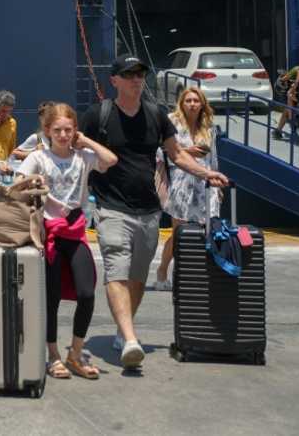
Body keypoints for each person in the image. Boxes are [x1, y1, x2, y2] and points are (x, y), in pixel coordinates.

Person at [79, 54, 229, 371]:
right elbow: (76, 150)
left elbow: (177, 155)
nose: (137, 79)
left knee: (137, 276)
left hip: (148, 209)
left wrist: (206, 174)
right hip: (111, 206)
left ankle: (123, 328)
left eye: (140, 74)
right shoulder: (98, 115)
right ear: (115, 80)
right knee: (116, 270)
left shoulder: (156, 115)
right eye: (129, 74)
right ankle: (131, 340)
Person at [16, 103, 117, 381]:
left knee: (86, 293)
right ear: (47, 131)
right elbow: (19, 182)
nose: (63, 135)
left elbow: (110, 160)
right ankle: (53, 355)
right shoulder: (40, 158)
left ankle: (75, 351)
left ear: (75, 131)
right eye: (57, 130)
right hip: (48, 233)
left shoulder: (83, 156)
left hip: (75, 231)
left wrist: (87, 141)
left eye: (68, 130)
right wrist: (33, 183)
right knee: (52, 298)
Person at [155, 87, 220, 291]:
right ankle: (163, 270)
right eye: (188, 100)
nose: (192, 104)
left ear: (202, 104)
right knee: (179, 232)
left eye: (196, 100)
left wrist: (217, 181)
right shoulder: (172, 122)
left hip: (205, 182)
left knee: (207, 230)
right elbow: (159, 149)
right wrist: (185, 151)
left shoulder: (208, 126)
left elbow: (213, 157)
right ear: (182, 103)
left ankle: (194, 274)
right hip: (182, 181)